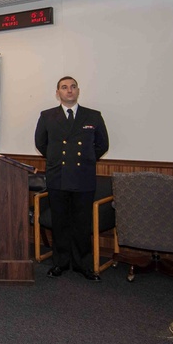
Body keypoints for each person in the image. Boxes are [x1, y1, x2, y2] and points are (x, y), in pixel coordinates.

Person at [33, 76, 109, 281]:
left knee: (82, 223)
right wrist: (57, 159)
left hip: (83, 177)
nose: (69, 90)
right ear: (57, 93)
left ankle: (83, 264)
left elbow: (102, 145)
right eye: (64, 87)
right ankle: (60, 263)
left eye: (73, 87)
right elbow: (41, 143)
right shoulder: (47, 116)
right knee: (60, 222)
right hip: (58, 176)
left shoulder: (92, 116)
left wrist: (86, 159)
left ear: (78, 91)